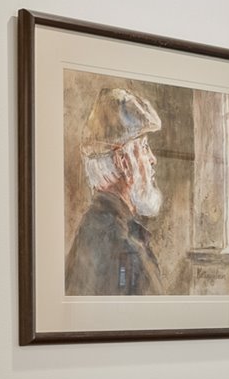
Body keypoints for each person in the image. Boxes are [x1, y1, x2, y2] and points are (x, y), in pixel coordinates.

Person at [65, 83, 168, 296]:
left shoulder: (91, 227)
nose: (152, 159)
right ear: (123, 161)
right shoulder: (125, 248)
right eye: (145, 147)